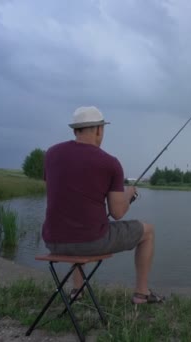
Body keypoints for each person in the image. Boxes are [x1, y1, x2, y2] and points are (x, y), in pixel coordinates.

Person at [42, 106, 163, 304]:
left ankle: (76, 290)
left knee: (80, 228)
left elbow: (61, 195)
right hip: (89, 242)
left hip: (52, 240)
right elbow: (117, 213)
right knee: (148, 231)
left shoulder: (51, 154)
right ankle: (142, 293)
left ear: (75, 130)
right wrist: (128, 195)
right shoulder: (110, 163)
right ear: (99, 129)